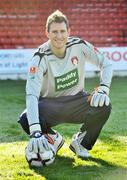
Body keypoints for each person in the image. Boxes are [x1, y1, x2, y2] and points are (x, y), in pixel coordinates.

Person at [19, 10, 112, 165]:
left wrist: (103, 88)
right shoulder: (39, 56)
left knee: (104, 104)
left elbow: (106, 64)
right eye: (54, 31)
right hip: (50, 104)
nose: (59, 36)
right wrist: (35, 130)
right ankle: (53, 140)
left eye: (62, 31)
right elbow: (32, 95)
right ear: (47, 33)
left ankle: (81, 143)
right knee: (25, 118)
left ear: (69, 31)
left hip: (76, 100)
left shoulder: (79, 45)